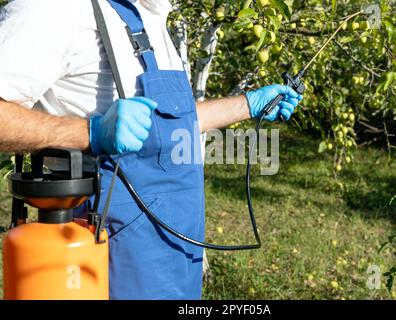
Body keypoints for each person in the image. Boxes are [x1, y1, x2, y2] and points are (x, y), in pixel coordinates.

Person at [0, 0, 302, 299]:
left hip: (179, 250)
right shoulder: (53, 9)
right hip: (111, 252)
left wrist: (249, 104)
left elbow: (167, 127)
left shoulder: (153, 15)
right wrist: (89, 132)